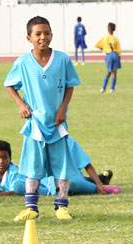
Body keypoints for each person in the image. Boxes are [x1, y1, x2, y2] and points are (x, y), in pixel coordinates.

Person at [4, 16, 82, 221]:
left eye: (46, 33)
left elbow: (70, 85)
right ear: (29, 37)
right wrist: (21, 104)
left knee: (62, 164)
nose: (43, 37)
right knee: (32, 164)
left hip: (57, 122)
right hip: (35, 123)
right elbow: (9, 85)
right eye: (38, 34)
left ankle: (62, 206)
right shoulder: (22, 62)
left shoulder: (62, 59)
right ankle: (31, 208)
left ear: (52, 35)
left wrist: (63, 109)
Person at [95, 23, 121, 93]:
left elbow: (97, 45)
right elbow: (119, 50)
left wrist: (102, 48)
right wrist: (119, 58)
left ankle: (103, 88)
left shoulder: (105, 38)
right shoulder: (116, 39)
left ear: (108, 29)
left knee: (108, 71)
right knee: (114, 72)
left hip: (109, 55)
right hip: (115, 54)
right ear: (114, 29)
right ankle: (112, 89)